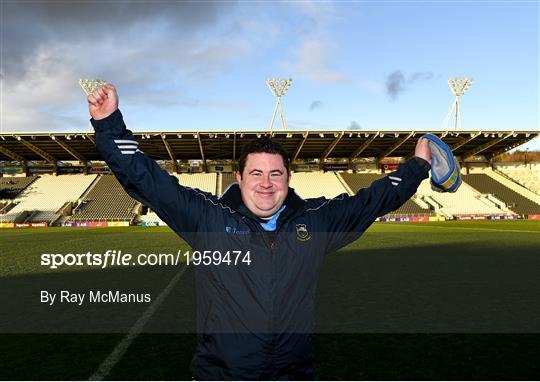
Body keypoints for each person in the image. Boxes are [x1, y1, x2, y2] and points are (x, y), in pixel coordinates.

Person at [87, 84, 432, 380]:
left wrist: (418, 166)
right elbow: (147, 180)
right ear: (239, 178)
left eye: (275, 174)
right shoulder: (207, 218)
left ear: (287, 179)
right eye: (256, 173)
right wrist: (108, 124)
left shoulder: (315, 221)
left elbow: (373, 200)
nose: (266, 184)